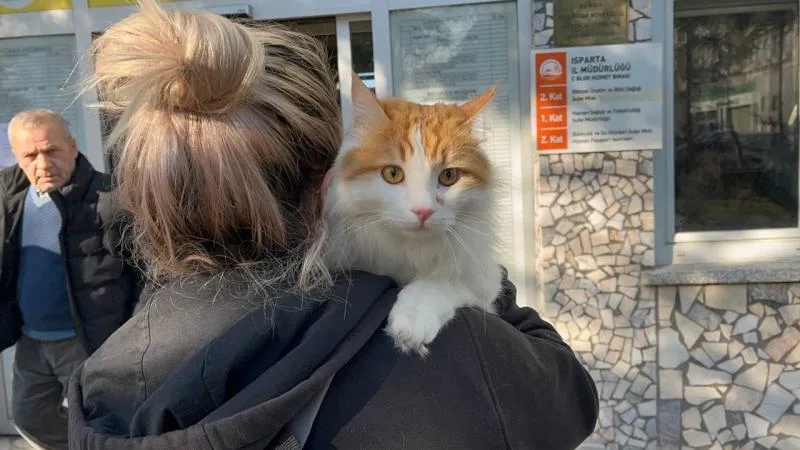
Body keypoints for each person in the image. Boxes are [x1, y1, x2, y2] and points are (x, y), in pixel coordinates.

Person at [68, 2, 599, 449]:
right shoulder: (457, 355)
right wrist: (474, 276)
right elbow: (570, 397)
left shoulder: (100, 385)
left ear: (147, 206)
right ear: (328, 185)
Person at [0, 109, 140, 450]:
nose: (43, 164)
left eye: (52, 150)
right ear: (17, 158)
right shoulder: (10, 199)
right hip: (32, 342)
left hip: (89, 341)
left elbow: (144, 275)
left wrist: (135, 334)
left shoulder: (111, 199)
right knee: (29, 416)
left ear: (73, 146)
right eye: (30, 156)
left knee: (102, 422)